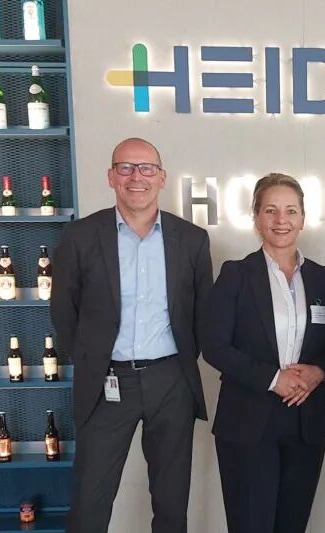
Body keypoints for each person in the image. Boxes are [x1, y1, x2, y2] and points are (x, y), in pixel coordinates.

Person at [51, 138, 213, 533]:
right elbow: (63, 311)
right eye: (125, 167)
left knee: (172, 501)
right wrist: (91, 360)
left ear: (162, 177)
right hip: (106, 382)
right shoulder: (80, 236)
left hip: (171, 382)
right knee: (90, 501)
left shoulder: (192, 239)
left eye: (146, 168)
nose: (136, 177)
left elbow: (201, 313)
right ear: (111, 177)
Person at [201, 173, 325, 533]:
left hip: (306, 420)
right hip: (248, 419)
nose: (282, 220)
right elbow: (214, 346)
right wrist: (272, 378)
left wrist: (319, 372)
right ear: (256, 217)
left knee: (292, 524)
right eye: (271, 210)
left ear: (303, 218)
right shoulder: (236, 275)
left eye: (291, 211)